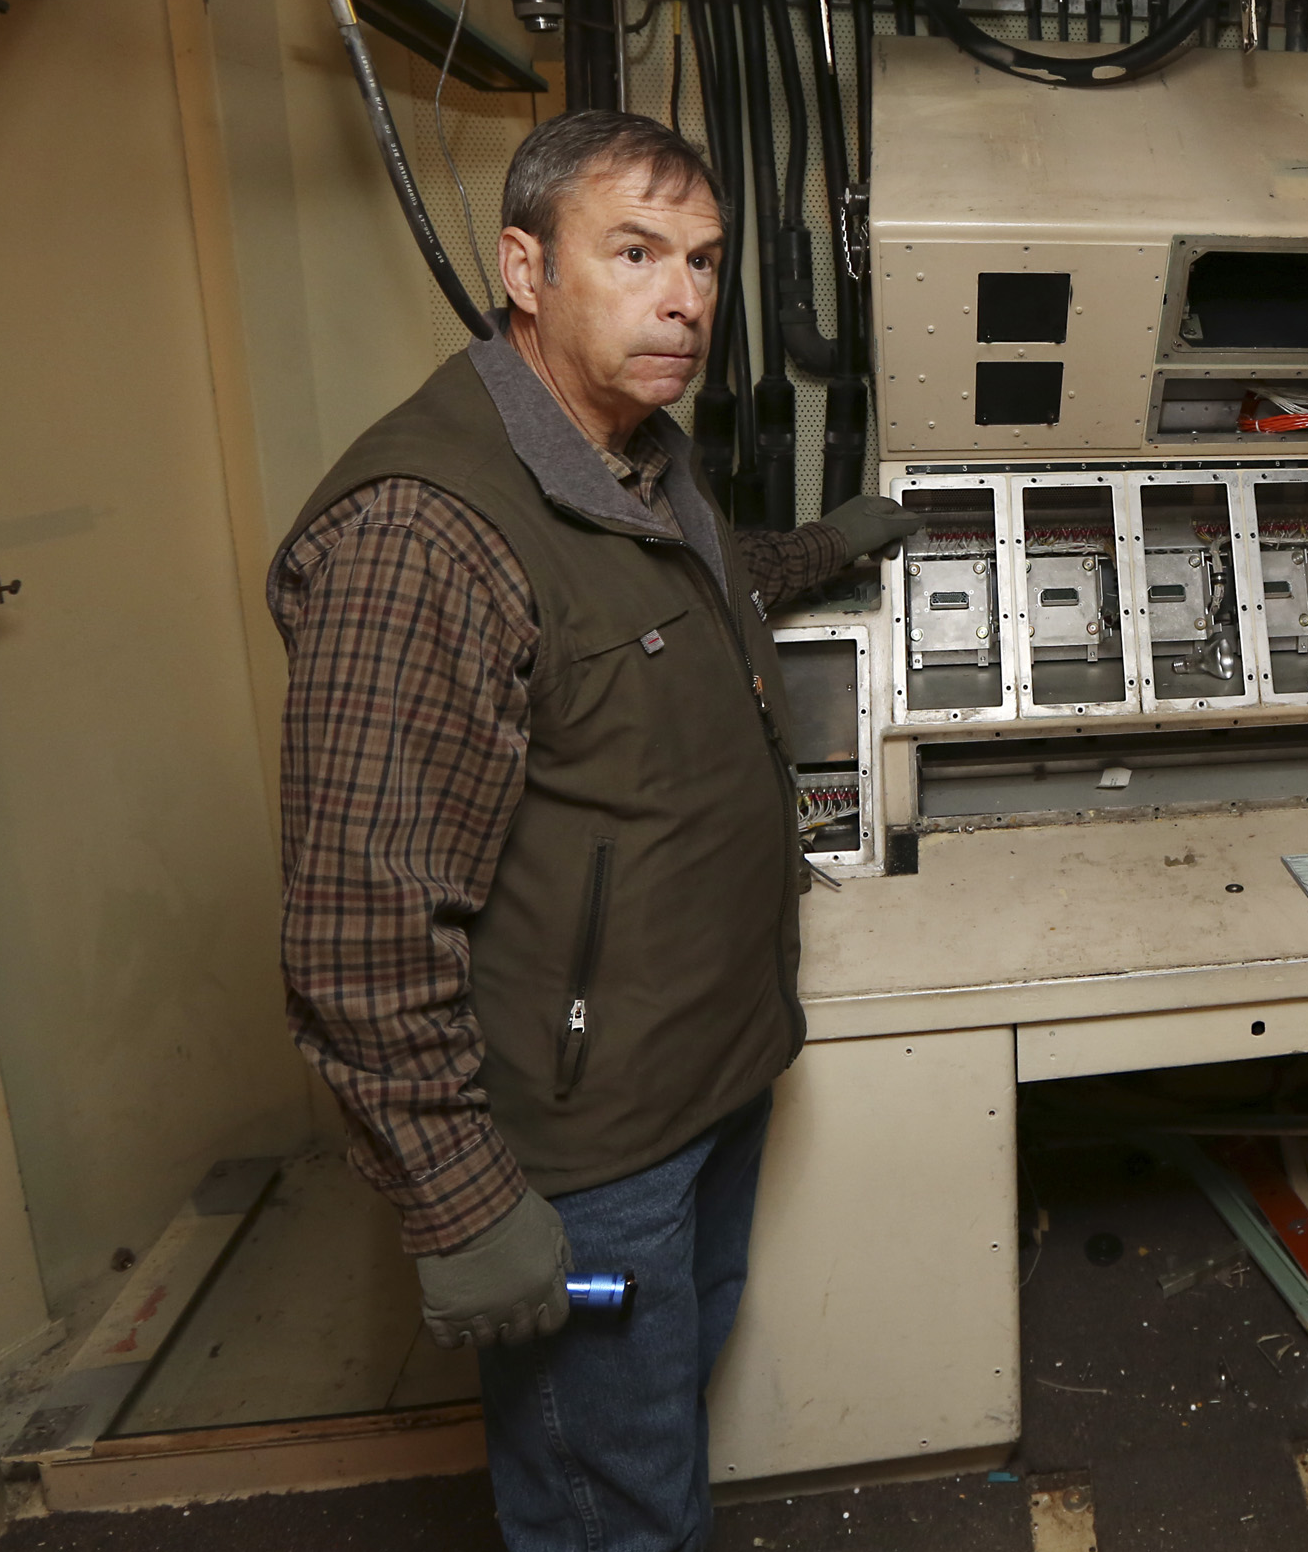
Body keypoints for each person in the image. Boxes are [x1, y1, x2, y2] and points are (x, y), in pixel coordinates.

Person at [270, 110, 916, 1552]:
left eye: (702, 260)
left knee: (655, 1443)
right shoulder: (426, 531)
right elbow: (358, 926)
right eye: (634, 253)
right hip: (582, 1157)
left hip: (707, 1072)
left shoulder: (628, 459)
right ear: (524, 266)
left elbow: (704, 580)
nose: (684, 297)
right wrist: (459, 1205)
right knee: (609, 1509)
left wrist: (846, 539)